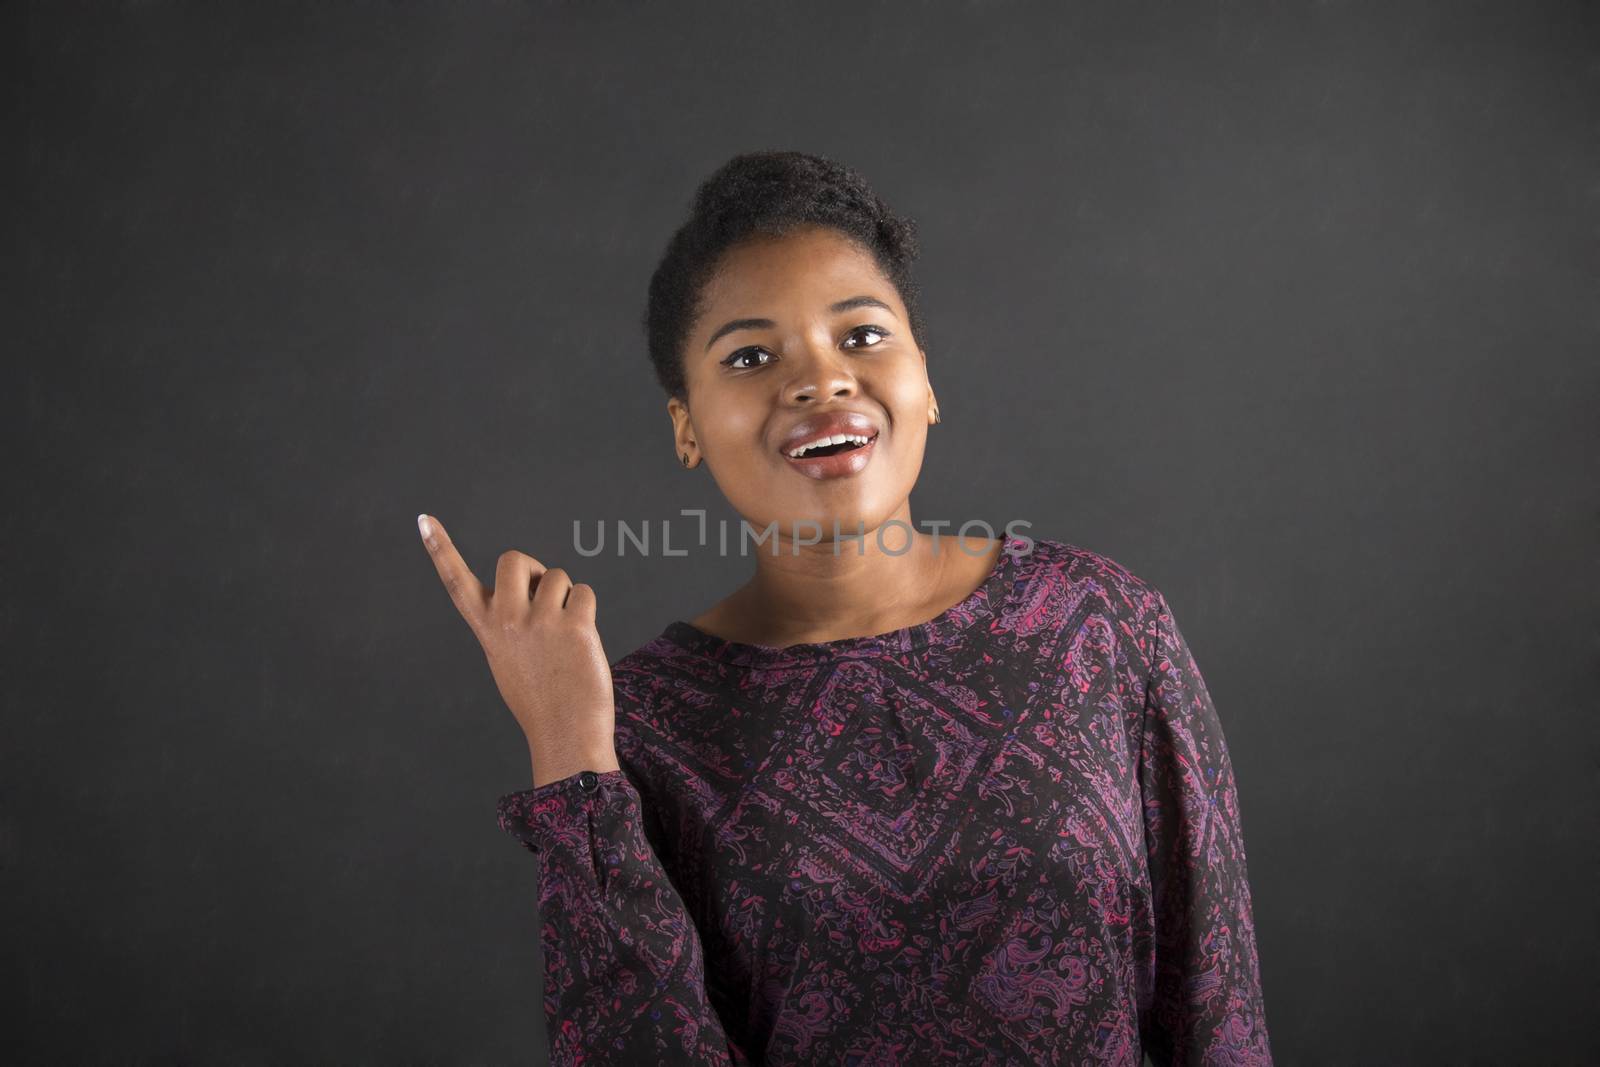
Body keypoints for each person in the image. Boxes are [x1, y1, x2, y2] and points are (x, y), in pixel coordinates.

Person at [417, 150, 1272, 1065]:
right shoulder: (643, 726)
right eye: (751, 355)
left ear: (926, 379)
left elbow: (1215, 1004)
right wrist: (569, 755)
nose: (820, 380)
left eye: (861, 336)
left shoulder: (1099, 624)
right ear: (687, 429)